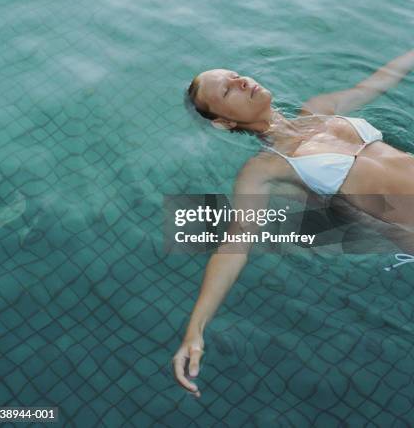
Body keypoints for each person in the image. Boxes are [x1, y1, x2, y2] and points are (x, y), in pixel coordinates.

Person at [172, 49, 414, 398]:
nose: (241, 81)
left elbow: (377, 81)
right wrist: (195, 329)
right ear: (223, 122)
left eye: (236, 75)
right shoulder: (265, 170)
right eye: (228, 91)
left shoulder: (320, 109)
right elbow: (234, 246)